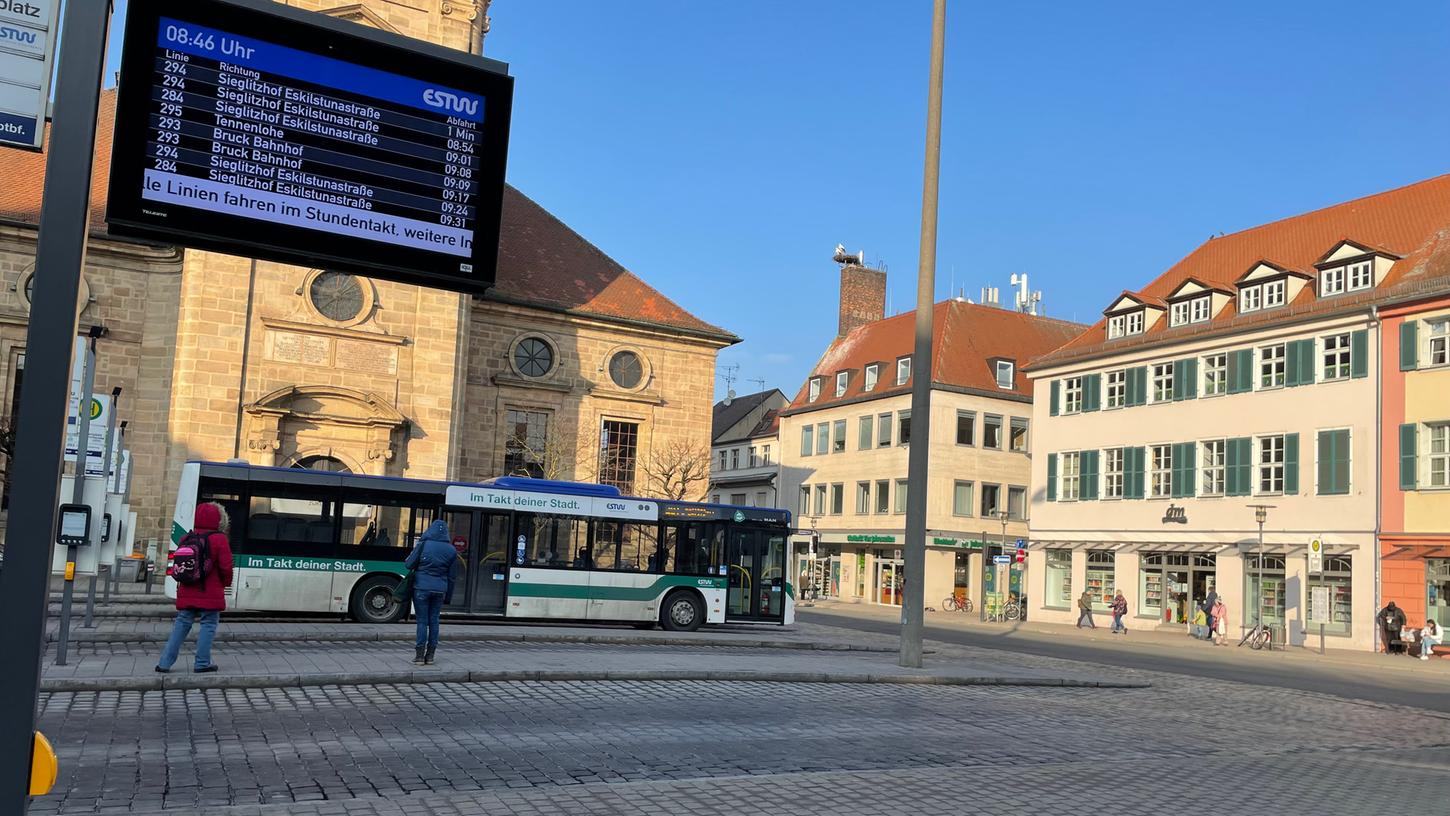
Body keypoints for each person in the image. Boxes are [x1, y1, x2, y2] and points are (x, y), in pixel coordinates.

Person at [155, 502, 234, 674]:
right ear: (220, 520)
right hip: (210, 592)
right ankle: (202, 662)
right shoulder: (219, 539)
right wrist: (225, 584)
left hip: (187, 590)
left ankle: (164, 663)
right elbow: (226, 567)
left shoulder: (187, 538)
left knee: (181, 624)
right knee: (208, 625)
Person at [406, 519, 461, 666]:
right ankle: (430, 656)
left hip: (421, 588)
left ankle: (418, 656)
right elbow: (452, 577)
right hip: (439, 590)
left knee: (422, 621)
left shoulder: (424, 544)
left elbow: (408, 564)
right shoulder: (451, 550)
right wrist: (448, 597)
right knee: (434, 621)